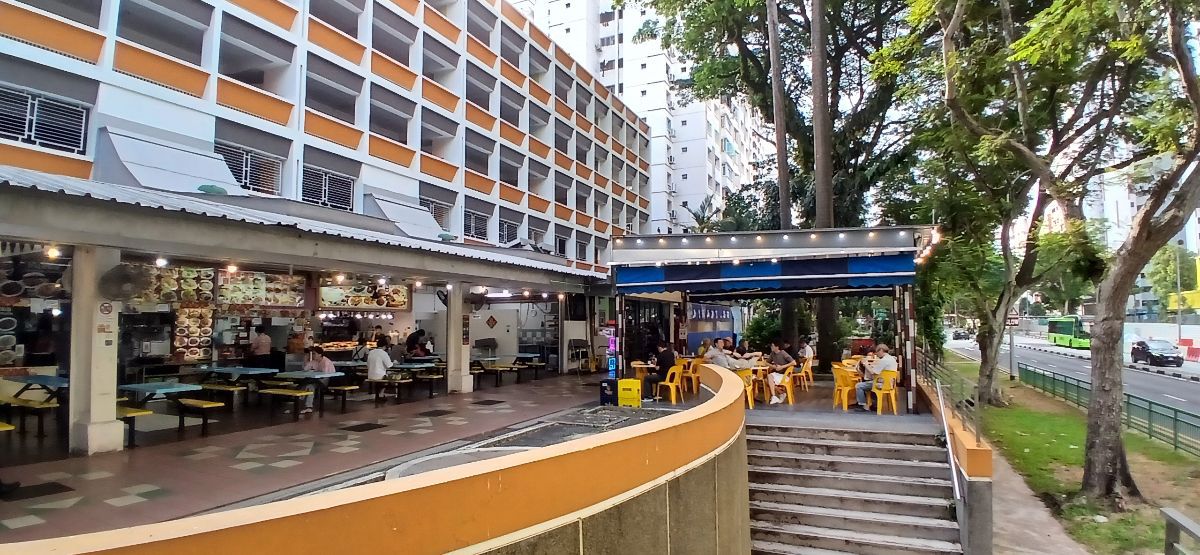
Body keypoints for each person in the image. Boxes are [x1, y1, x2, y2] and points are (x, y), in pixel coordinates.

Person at [855, 344, 897, 412]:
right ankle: (875, 405)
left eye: (877, 352)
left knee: (859, 386)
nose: (876, 354)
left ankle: (863, 405)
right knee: (872, 383)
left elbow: (873, 372)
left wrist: (866, 364)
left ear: (881, 350)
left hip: (881, 384)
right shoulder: (892, 359)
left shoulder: (884, 360)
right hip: (890, 384)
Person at [298, 346, 336, 415]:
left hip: (325, 381)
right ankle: (308, 406)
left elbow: (325, 375)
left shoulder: (326, 362)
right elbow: (305, 369)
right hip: (316, 380)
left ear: (320, 354)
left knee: (307, 382)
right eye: (312, 353)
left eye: (314, 353)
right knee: (310, 386)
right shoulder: (314, 361)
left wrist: (314, 373)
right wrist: (306, 359)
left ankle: (301, 398)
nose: (313, 355)